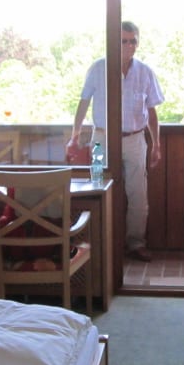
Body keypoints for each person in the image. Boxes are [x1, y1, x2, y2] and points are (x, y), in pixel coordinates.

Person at [66, 21, 164, 262]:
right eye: (123, 41)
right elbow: (83, 103)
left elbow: (152, 112)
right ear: (114, 42)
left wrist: (156, 145)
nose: (129, 45)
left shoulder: (145, 72)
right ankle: (98, 243)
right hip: (101, 138)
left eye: (133, 41)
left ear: (138, 43)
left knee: (138, 194)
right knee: (97, 186)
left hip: (135, 140)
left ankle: (135, 244)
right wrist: (74, 137)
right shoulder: (98, 68)